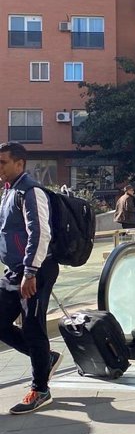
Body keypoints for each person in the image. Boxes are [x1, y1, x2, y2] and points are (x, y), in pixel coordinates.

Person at [0, 142, 63, 414]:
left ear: (20, 163)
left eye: (3, 162)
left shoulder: (31, 191)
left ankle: (40, 388)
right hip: (14, 270)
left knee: (33, 327)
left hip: (35, 270)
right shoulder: (8, 191)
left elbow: (40, 234)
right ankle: (45, 359)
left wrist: (30, 272)